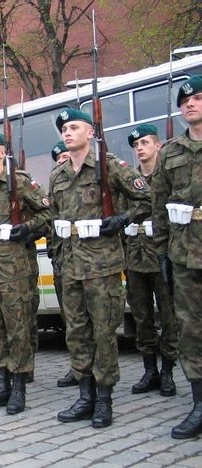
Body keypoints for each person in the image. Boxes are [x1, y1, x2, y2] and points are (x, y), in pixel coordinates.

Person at [50, 108, 151, 428]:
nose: (67, 133)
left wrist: (122, 220)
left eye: (74, 127)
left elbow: (145, 199)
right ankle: (85, 395)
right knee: (77, 333)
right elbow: (54, 217)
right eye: (64, 128)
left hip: (102, 265)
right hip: (71, 264)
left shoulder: (109, 168)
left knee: (104, 333)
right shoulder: (58, 175)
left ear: (90, 133)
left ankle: (104, 400)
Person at [0, 131, 50, 414]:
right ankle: (0, 383)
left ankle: (18, 386)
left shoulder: (19, 183)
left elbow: (48, 214)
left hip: (12, 270)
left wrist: (27, 229)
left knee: (17, 329)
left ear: (2, 152)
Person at [152, 75, 202, 439]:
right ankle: (199, 404)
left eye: (198, 98)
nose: (190, 104)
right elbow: (160, 207)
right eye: (185, 101)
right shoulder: (169, 152)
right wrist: (163, 254)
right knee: (191, 329)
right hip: (185, 252)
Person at [125, 124, 178, 397]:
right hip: (135, 257)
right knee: (141, 316)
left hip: (163, 254)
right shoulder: (129, 180)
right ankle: (150, 371)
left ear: (158, 145)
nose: (140, 148)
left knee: (169, 316)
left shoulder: (167, 176)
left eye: (145, 143)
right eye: (136, 145)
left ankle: (168, 370)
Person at [47, 141, 78, 388]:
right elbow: (50, 222)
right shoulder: (56, 182)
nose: (61, 161)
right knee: (71, 319)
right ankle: (77, 366)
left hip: (90, 261)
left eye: (65, 156)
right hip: (62, 260)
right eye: (58, 159)